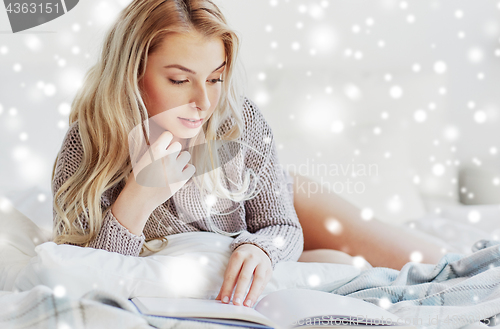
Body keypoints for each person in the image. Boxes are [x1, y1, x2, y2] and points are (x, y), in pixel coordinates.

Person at [51, 0, 449, 310]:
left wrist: (261, 248)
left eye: (215, 78)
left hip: (283, 195)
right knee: (333, 263)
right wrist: (138, 194)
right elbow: (92, 277)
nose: (203, 101)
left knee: (436, 265)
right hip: (236, 204)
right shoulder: (84, 149)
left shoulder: (240, 124)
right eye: (179, 79)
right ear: (132, 73)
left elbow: (281, 225)